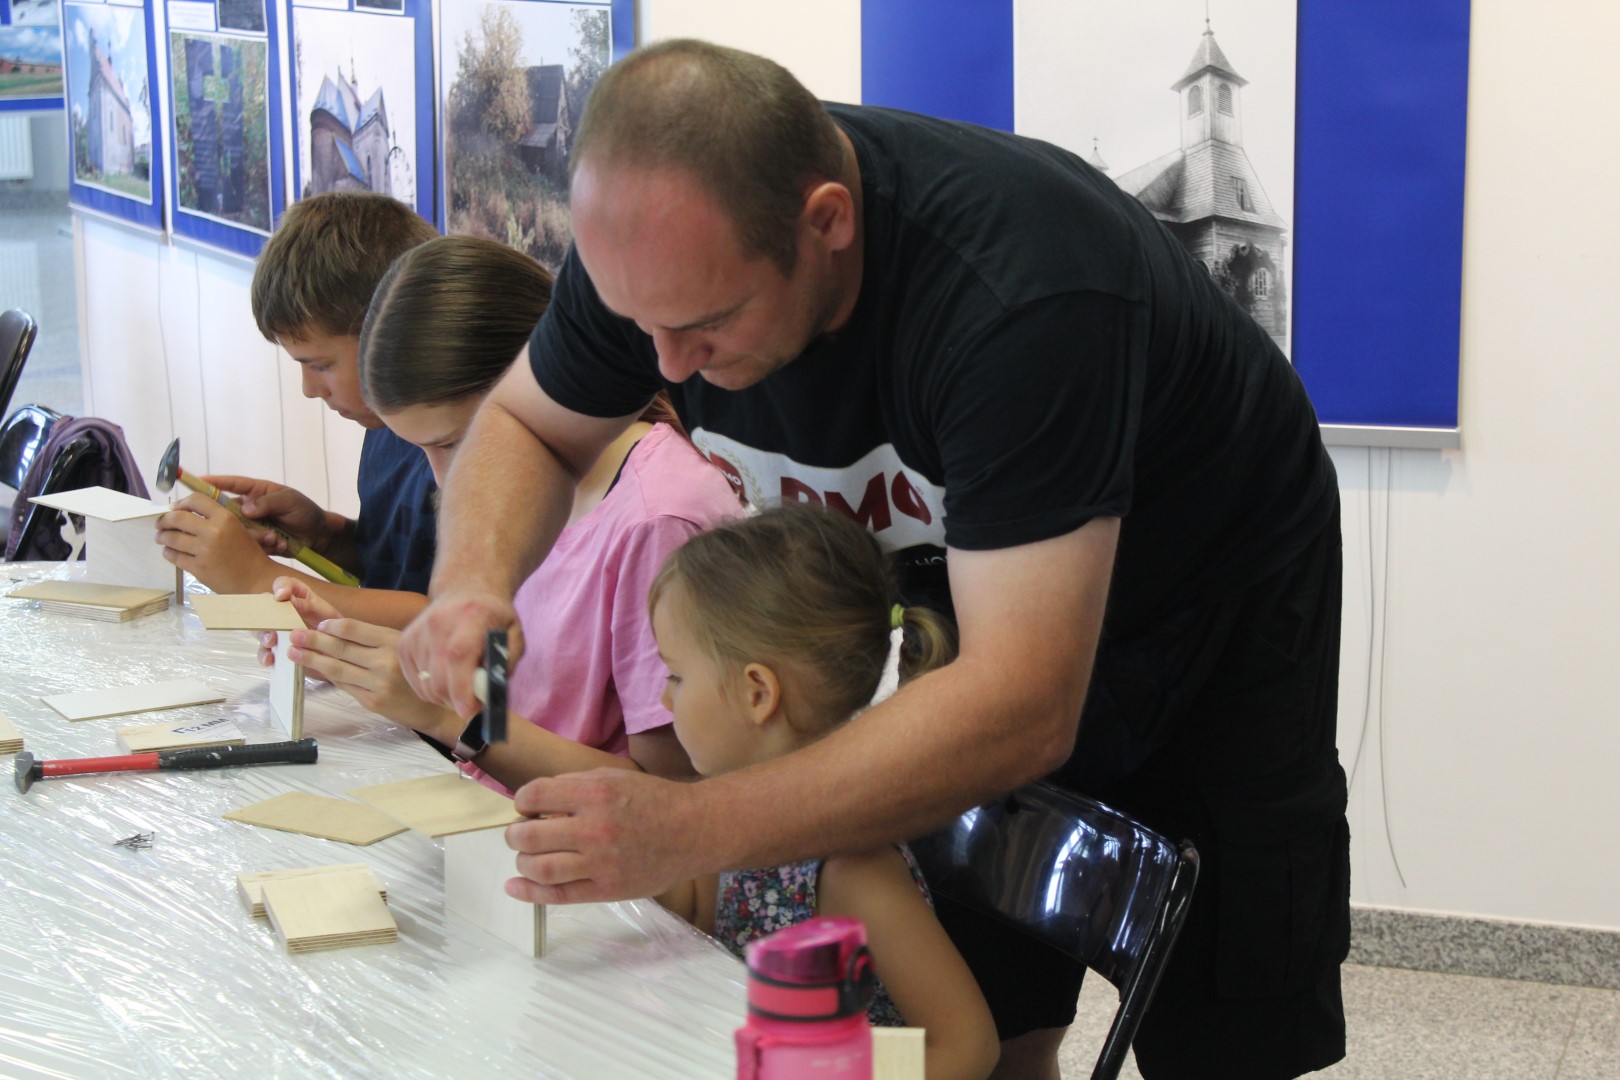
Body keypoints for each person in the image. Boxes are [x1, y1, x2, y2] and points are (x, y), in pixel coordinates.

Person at [399, 39, 1349, 1080]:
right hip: (987, 577)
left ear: (828, 223)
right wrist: (472, 584)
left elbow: (1025, 704)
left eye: (707, 324)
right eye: (639, 325)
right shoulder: (657, 252)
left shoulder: (1021, 295)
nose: (664, 366)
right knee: (993, 971)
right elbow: (526, 427)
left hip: (1215, 587)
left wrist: (696, 823)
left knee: (1228, 1005)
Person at [264, 234, 739, 787]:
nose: (444, 479)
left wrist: (445, 715)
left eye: (456, 443)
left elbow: (669, 793)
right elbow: (506, 683)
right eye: (420, 450)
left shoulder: (658, 523)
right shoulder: (505, 510)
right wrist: (350, 646)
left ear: (534, 396)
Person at [649, 502, 998, 1080]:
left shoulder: (851, 869)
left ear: (758, 693)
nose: (664, 699)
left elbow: (966, 1049)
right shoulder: (732, 811)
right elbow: (699, 911)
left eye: (676, 676)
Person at [154, 192, 439, 628]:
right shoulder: (386, 428)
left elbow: (447, 623)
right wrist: (324, 535)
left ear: (393, 333)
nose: (309, 389)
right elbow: (398, 571)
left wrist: (257, 578)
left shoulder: (464, 450)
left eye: (321, 365)